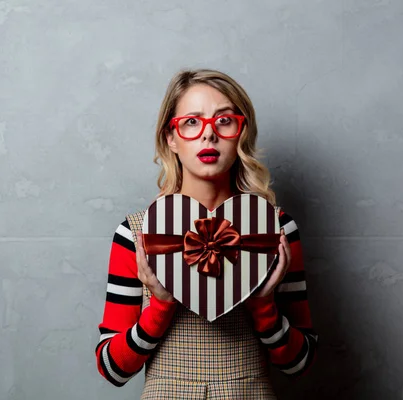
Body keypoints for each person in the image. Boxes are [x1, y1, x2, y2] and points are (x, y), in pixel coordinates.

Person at [95, 68, 318, 399]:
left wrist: (263, 305)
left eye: (224, 121)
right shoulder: (137, 233)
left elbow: (299, 364)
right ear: (170, 137)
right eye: (191, 122)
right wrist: (160, 304)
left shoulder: (276, 230)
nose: (208, 135)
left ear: (241, 133)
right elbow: (113, 369)